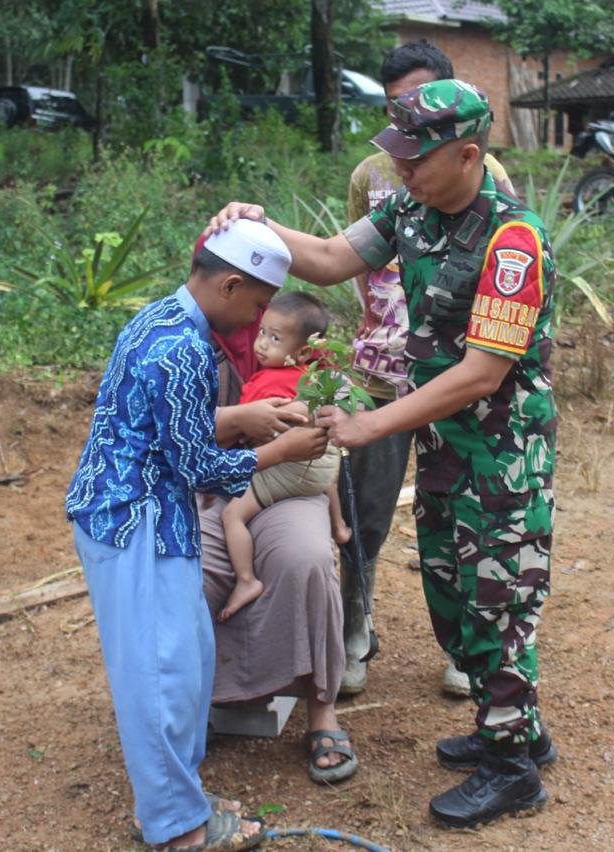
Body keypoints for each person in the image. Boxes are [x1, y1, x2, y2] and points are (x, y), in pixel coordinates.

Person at [205, 78, 560, 829]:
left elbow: (483, 372)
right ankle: (514, 730)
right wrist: (260, 229)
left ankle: (513, 768)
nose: (401, 171)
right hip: (445, 447)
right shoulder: (411, 209)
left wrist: (371, 426)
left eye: (417, 158)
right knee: (451, 588)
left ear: (468, 156)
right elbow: (333, 258)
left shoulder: (512, 242)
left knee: (497, 600)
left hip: (501, 457)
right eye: (396, 155)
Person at [66, 219, 328, 849]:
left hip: (151, 514)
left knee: (186, 665)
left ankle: (180, 799)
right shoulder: (181, 348)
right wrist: (284, 447)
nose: (259, 319)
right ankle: (176, 828)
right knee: (160, 676)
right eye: (260, 305)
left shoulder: (163, 318)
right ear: (231, 284)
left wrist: (249, 418)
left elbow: (171, 425)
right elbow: (199, 465)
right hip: (133, 519)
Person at [339, 40, 517, 701]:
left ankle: (474, 651)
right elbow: (347, 259)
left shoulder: (494, 191)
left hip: (457, 384)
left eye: (417, 110)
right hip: (382, 370)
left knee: (468, 521)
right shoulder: (372, 179)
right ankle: (354, 633)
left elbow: (491, 328)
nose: (404, 132)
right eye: (394, 112)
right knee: (364, 517)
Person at [218, 291, 350, 622]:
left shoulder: (267, 385)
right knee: (325, 461)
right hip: (320, 473)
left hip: (288, 469)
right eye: (262, 332)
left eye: (274, 338)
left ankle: (246, 580)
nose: (262, 344)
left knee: (231, 516)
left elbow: (246, 431)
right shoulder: (316, 375)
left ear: (303, 350)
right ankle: (340, 525)